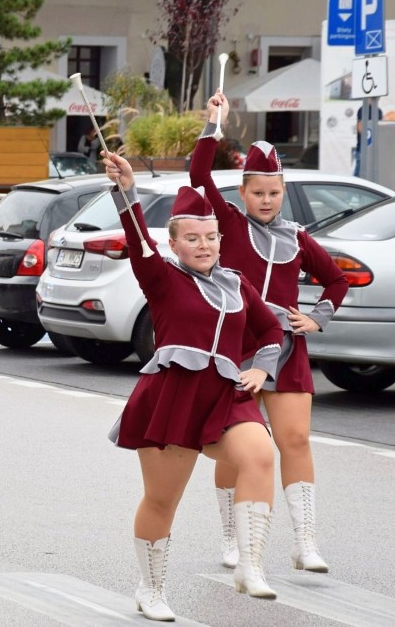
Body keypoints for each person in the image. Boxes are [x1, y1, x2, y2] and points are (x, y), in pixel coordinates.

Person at [103, 150, 284, 620]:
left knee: (261, 454)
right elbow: (137, 238)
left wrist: (262, 369)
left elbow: (269, 331)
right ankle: (151, 588)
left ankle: (250, 565)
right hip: (173, 398)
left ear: (221, 239)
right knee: (163, 500)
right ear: (175, 242)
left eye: (211, 237)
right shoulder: (161, 277)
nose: (203, 246)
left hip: (226, 396)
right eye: (192, 238)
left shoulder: (236, 284)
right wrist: (127, 191)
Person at [190, 90, 349, 576]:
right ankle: (232, 538)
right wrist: (212, 125)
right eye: (257, 192)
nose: (265, 200)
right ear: (243, 193)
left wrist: (318, 315)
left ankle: (305, 543)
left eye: (274, 192)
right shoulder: (229, 225)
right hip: (237, 345)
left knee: (295, 440)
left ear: (284, 191)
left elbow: (338, 279)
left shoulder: (297, 237)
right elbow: (198, 177)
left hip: (286, 348)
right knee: (237, 444)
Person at [353, 103, 382, 177]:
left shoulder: (378, 111)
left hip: (373, 149)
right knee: (359, 175)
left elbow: (381, 127)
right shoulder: (363, 110)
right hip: (362, 149)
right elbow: (360, 127)